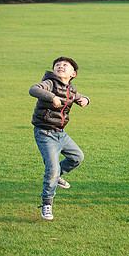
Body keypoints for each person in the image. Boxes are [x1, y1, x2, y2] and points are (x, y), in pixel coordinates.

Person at [30, 57, 90, 220]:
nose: (60, 66)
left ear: (73, 73)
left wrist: (85, 100)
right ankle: (47, 204)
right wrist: (51, 97)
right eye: (58, 65)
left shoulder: (70, 88)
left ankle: (57, 177)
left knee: (77, 157)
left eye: (65, 65)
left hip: (60, 133)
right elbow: (34, 89)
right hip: (45, 133)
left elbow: (78, 96)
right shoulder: (50, 83)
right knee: (52, 169)